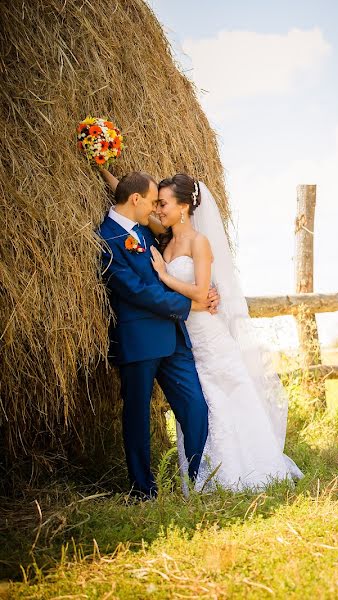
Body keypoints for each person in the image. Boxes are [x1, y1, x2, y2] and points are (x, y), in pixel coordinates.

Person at [102, 168, 303, 491]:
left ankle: (217, 473)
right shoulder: (140, 234)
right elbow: (131, 205)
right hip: (163, 336)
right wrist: (104, 168)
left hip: (191, 335)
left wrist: (170, 279)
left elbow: (198, 291)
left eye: (162, 203)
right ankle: (167, 483)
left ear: (183, 206)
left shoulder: (182, 237)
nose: (157, 208)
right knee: (169, 410)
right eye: (155, 203)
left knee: (208, 401)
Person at [96, 171, 216, 500]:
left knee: (194, 405)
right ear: (136, 200)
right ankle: (143, 490)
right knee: (137, 416)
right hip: (139, 341)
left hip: (173, 337)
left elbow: (183, 263)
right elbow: (134, 290)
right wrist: (191, 304)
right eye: (152, 202)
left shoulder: (146, 230)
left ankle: (199, 478)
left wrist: (205, 292)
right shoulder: (105, 238)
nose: (155, 209)